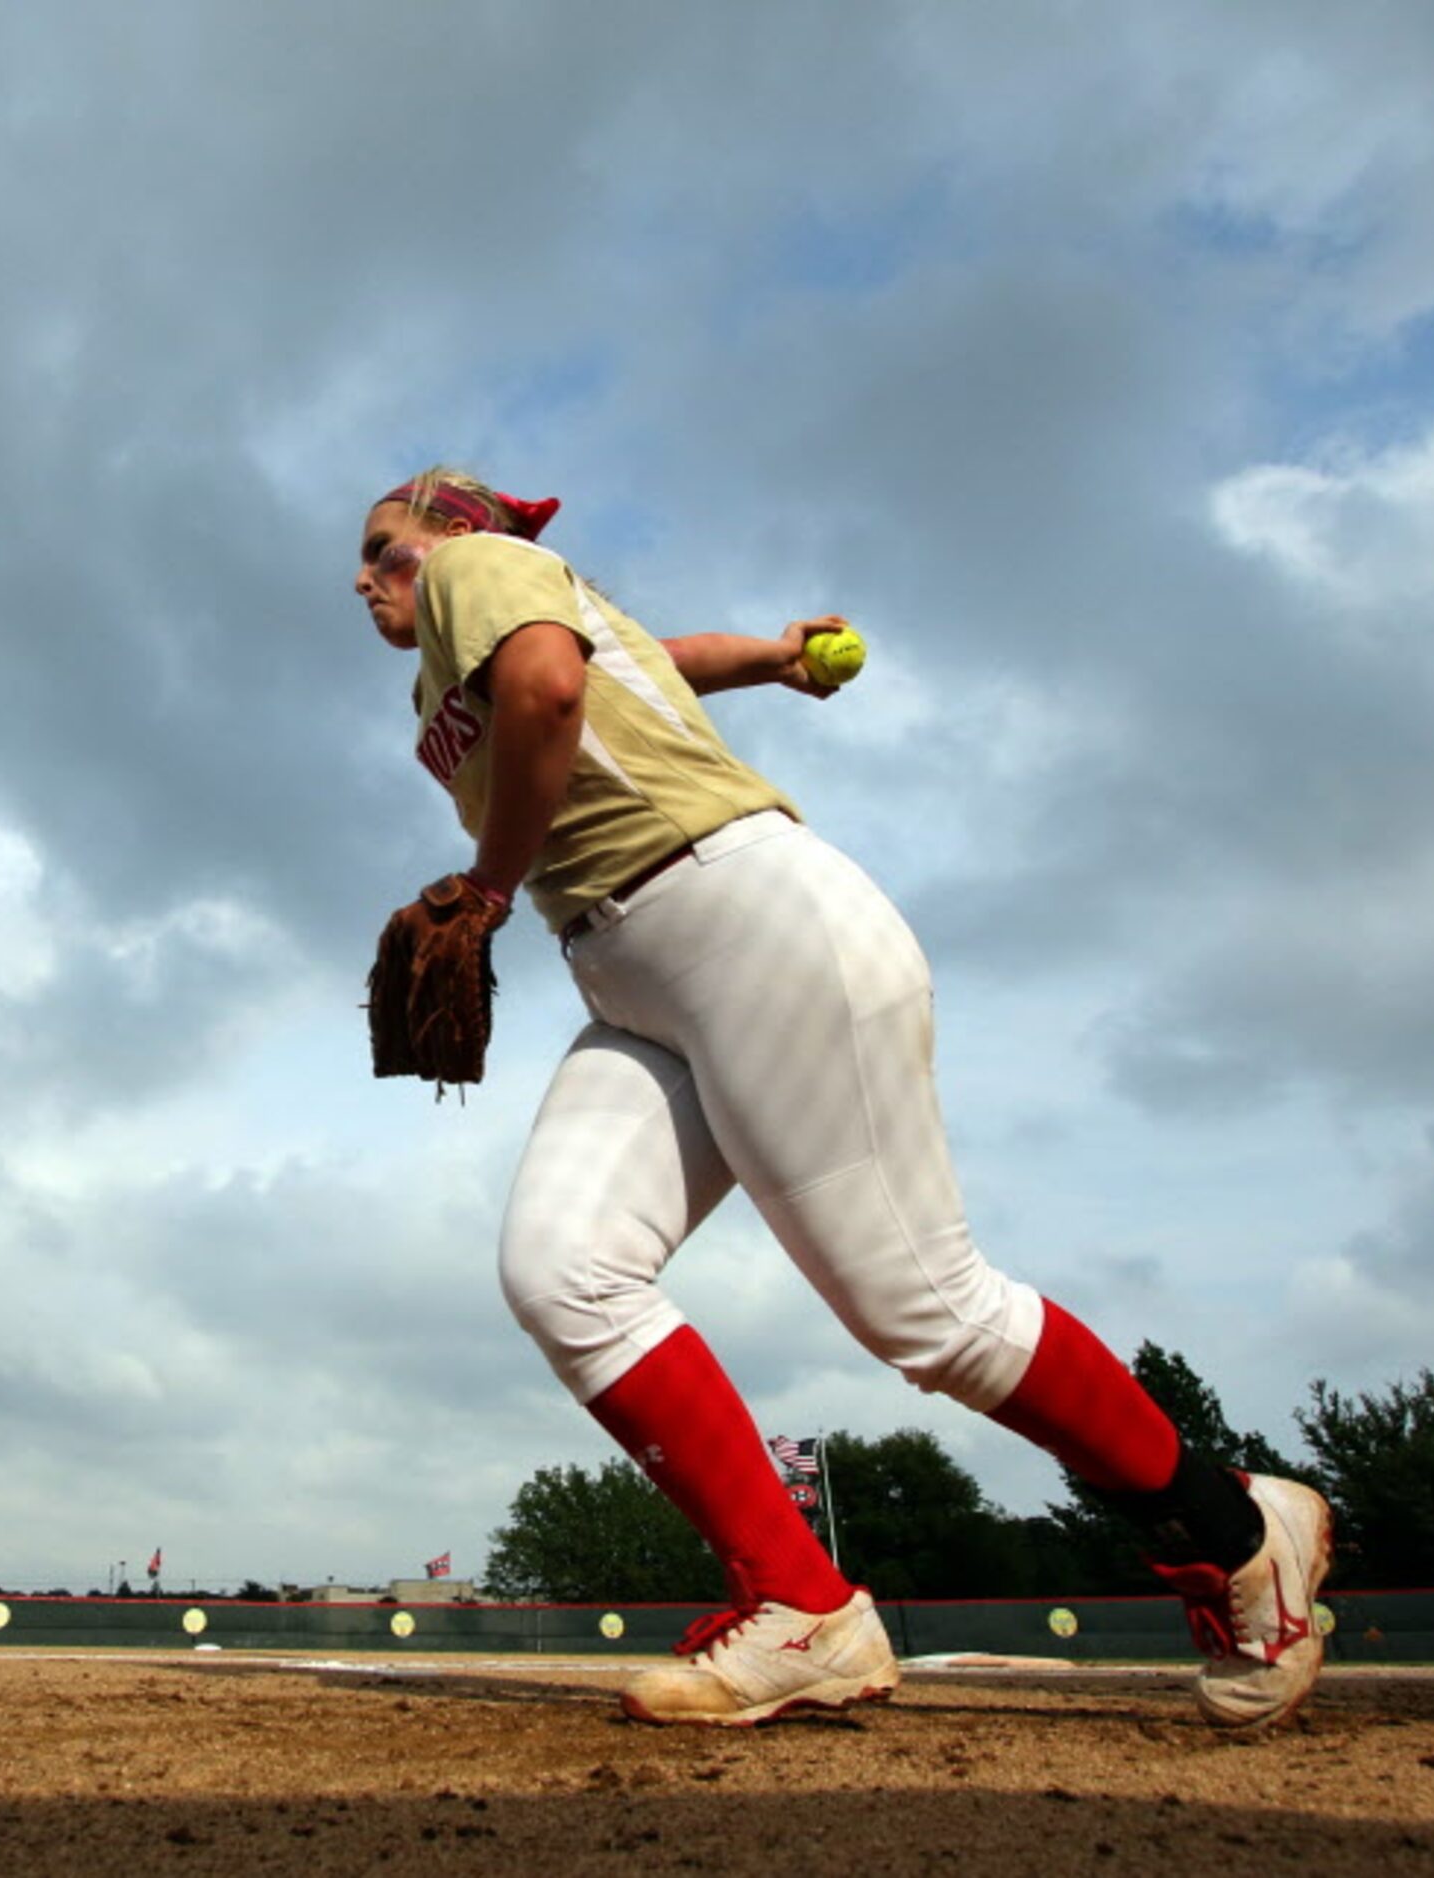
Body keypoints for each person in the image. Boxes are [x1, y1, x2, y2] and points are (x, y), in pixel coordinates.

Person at [353, 468, 1332, 1728]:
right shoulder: (451, 657)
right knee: (565, 1273)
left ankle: (1237, 1529)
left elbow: (551, 685)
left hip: (743, 918)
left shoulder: (473, 574)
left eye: (387, 547)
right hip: (637, 972)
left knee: (925, 1308)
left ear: (452, 534)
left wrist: (485, 890)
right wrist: (766, 657)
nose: (370, 576)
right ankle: (803, 1607)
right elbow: (640, 659)